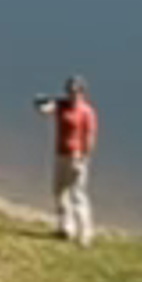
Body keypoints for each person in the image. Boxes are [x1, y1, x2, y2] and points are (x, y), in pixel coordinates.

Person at [45, 71, 98, 246]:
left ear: (83, 92)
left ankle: (85, 234)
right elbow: (47, 109)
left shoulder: (87, 112)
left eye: (76, 90)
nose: (72, 93)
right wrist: (41, 103)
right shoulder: (62, 106)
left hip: (76, 157)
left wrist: (84, 159)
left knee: (77, 194)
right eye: (69, 90)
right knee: (59, 191)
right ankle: (66, 228)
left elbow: (90, 137)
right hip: (60, 154)